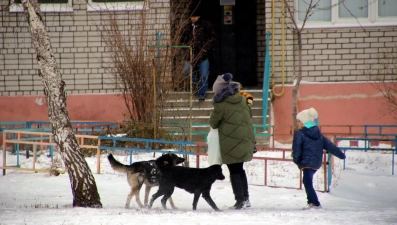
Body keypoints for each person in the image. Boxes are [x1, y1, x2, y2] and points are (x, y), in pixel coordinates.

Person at [209, 73, 255, 209]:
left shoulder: (220, 105)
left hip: (231, 142)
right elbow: (249, 116)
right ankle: (246, 199)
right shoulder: (242, 98)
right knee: (240, 170)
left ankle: (240, 200)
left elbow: (213, 123)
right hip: (245, 139)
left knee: (234, 171)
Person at [292, 108, 346, 210]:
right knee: (307, 181)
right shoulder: (319, 135)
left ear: (304, 122)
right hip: (316, 163)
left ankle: (315, 203)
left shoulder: (300, 134)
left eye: (298, 121)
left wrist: (296, 160)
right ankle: (311, 202)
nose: (297, 123)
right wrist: (341, 155)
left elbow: (297, 149)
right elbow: (330, 146)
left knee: (307, 182)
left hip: (306, 162)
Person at [181, 7, 215, 101]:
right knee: (187, 72)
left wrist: (205, 49)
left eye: (195, 16)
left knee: (203, 75)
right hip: (190, 54)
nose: (193, 18)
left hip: (203, 55)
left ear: (199, 16)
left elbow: (211, 39)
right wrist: (185, 48)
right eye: (192, 16)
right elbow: (182, 39)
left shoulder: (205, 25)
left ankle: (201, 94)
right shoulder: (187, 27)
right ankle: (196, 84)